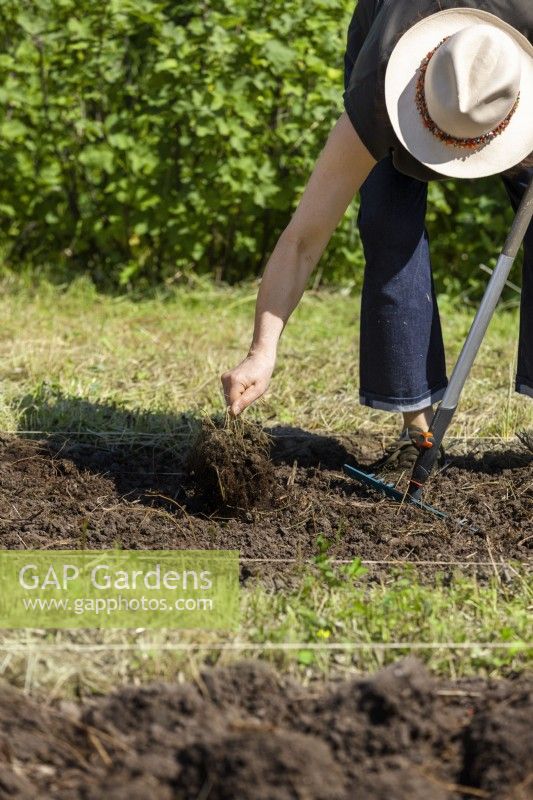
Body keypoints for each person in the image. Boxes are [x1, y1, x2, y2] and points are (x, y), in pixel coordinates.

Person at [221, 1, 533, 472]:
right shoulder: (379, 90)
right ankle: (418, 436)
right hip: (393, 49)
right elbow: (304, 238)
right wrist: (261, 352)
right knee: (388, 225)